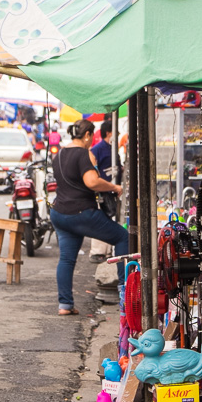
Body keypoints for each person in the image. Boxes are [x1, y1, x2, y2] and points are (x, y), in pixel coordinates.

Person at [49, 119, 129, 316]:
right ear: (86, 136)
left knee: (66, 260)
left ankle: (65, 305)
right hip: (81, 213)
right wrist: (114, 187)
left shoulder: (59, 154)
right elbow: (92, 182)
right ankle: (124, 293)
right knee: (122, 237)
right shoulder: (83, 154)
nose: (91, 141)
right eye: (90, 137)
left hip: (59, 213)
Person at [89, 119, 122, 264]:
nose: (118, 134)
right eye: (116, 132)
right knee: (101, 220)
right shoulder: (97, 149)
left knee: (110, 219)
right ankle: (98, 252)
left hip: (113, 190)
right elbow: (92, 169)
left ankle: (107, 250)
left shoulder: (112, 148)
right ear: (109, 133)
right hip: (102, 191)